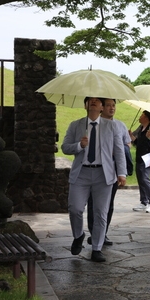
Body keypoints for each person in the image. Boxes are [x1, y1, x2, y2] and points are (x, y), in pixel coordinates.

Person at [62, 97, 126, 262]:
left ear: (102, 107)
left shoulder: (112, 126)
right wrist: (79, 146)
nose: (93, 102)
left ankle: (97, 248)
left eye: (97, 101)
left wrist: (122, 173)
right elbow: (65, 147)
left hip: (103, 175)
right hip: (81, 173)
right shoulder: (76, 125)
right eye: (90, 100)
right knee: (75, 209)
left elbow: (119, 150)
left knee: (100, 212)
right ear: (85, 105)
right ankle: (78, 235)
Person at [86, 98, 131, 246]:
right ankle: (94, 233)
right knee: (93, 203)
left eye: (114, 105)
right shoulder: (93, 124)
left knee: (108, 204)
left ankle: (102, 233)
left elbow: (127, 144)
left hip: (111, 170)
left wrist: (121, 169)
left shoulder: (120, 125)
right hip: (94, 170)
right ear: (101, 107)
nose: (112, 108)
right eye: (108, 105)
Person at [129, 110, 150, 213]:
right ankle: (143, 201)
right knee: (140, 180)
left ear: (146, 118)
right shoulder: (142, 129)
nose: (140, 117)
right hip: (139, 157)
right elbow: (139, 143)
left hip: (147, 158)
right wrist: (132, 137)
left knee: (145, 179)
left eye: (142, 115)